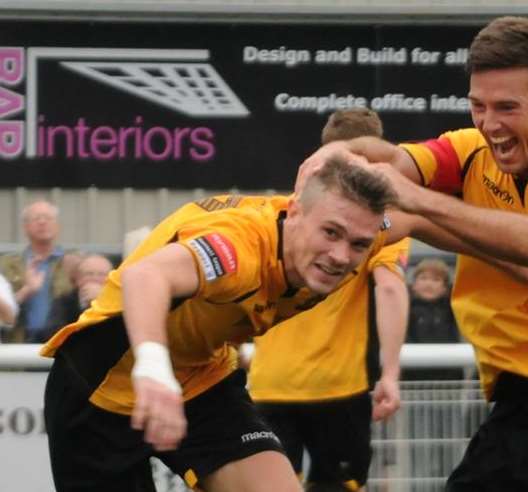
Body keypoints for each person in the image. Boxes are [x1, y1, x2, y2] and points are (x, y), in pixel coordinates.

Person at [301, 16, 528, 491]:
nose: (490, 125)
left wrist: (415, 201)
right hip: (519, 403)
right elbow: (392, 162)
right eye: (478, 106)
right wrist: (345, 151)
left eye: (507, 107)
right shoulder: (469, 150)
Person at [40, 156, 398, 492]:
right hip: (100, 387)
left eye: (358, 245)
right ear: (296, 212)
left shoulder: (365, 228)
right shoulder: (239, 249)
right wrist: (153, 369)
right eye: (330, 233)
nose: (340, 256)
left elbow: (431, 214)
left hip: (200, 381)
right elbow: (145, 276)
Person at [249, 107, 408, 492]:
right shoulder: (375, 226)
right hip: (336, 386)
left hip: (268, 382)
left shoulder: (291, 209)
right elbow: (389, 288)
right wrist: (390, 373)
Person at [0, 200, 74, 342]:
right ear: (25, 228)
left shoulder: (73, 263)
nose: (42, 222)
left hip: (63, 342)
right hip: (19, 341)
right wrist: (27, 290)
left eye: (47, 218)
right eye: (36, 218)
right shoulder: (7, 265)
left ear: (57, 226)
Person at [403, 258, 463, 381]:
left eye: (436, 280)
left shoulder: (451, 309)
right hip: (413, 374)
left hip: (448, 374)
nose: (428, 284)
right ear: (413, 285)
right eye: (423, 278)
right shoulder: (405, 309)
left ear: (445, 288)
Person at [42, 254, 114, 342]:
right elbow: (52, 334)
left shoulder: (119, 303)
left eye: (102, 274)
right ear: (78, 279)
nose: (95, 279)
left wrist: (102, 300)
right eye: (89, 274)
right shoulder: (63, 301)